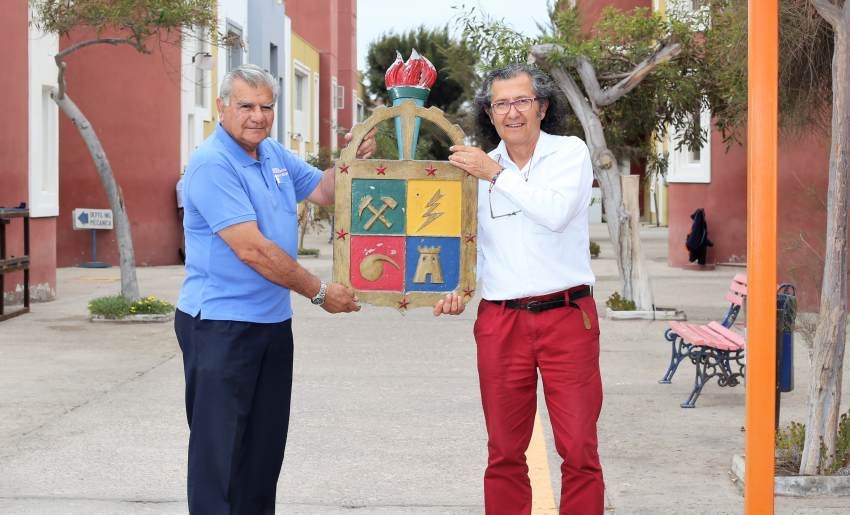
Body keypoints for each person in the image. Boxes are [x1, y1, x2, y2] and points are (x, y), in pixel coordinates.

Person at [174, 64, 375, 514]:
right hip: (221, 328)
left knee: (262, 455)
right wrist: (320, 292)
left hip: (270, 325)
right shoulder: (212, 164)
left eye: (267, 107)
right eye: (246, 105)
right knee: (219, 459)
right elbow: (254, 251)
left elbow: (325, 191)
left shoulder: (272, 154)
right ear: (222, 107)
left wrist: (351, 159)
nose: (257, 116)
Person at [435, 63, 604, 514]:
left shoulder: (569, 153)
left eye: (521, 101)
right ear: (489, 113)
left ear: (542, 107)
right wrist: (459, 288)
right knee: (505, 452)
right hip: (501, 321)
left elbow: (554, 212)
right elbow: (471, 246)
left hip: (568, 317)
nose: (512, 113)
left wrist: (494, 172)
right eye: (500, 104)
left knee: (580, 449)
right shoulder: (478, 170)